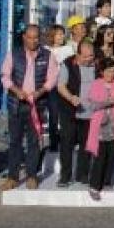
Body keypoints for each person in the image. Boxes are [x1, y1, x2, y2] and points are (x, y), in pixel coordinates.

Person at [1, 25, 59, 191]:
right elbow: (5, 76)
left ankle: (32, 175)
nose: (33, 41)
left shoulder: (48, 55)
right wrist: (17, 91)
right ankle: (12, 177)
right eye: (30, 37)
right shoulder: (13, 54)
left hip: (37, 105)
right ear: (23, 37)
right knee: (15, 142)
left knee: (34, 141)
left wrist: (40, 91)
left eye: (36, 38)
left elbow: (52, 78)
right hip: (17, 104)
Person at [86, 57, 114, 201]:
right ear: (101, 71)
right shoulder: (96, 84)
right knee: (99, 158)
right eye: (108, 71)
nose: (111, 74)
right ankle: (94, 186)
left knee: (112, 156)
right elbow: (93, 105)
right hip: (100, 129)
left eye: (113, 71)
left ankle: (106, 181)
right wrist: (109, 101)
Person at [56, 39, 98, 188]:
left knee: (86, 145)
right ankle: (65, 176)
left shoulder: (97, 64)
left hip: (90, 112)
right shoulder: (67, 64)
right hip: (70, 111)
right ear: (78, 55)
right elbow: (60, 86)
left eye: (91, 56)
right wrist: (71, 97)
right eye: (86, 56)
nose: (89, 59)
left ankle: (83, 174)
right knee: (67, 144)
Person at [44, 24, 69, 152]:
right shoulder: (45, 50)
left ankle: (66, 143)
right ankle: (53, 143)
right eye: (59, 34)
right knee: (53, 115)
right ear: (52, 35)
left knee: (66, 115)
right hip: (52, 87)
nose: (61, 36)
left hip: (65, 85)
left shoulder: (68, 49)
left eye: (62, 34)